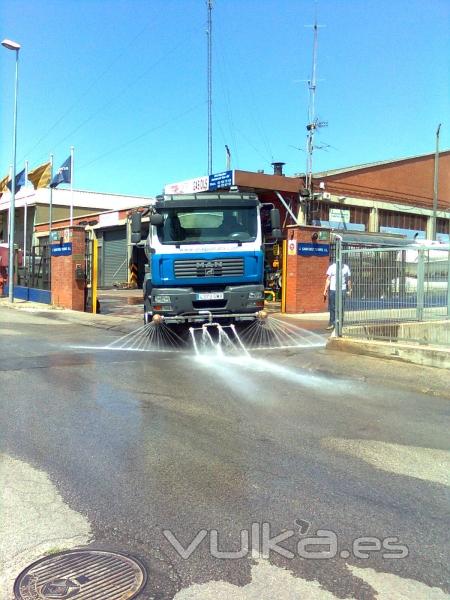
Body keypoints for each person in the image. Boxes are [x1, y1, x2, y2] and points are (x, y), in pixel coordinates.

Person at [323, 261, 352, 331]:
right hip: (333, 290)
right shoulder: (332, 267)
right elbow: (328, 279)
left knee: (341, 307)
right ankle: (332, 323)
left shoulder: (346, 267)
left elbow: (348, 280)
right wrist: (325, 289)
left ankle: (340, 324)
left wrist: (350, 289)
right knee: (332, 307)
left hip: (342, 290)